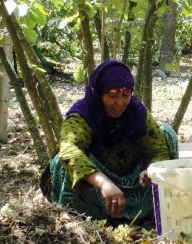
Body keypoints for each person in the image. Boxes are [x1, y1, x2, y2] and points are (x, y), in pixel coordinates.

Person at [40, 60, 177, 221]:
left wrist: (151, 170)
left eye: (125, 95)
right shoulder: (83, 114)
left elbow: (158, 149)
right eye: (112, 96)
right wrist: (103, 183)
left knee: (167, 133)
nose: (119, 103)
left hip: (135, 187)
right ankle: (81, 217)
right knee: (61, 161)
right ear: (98, 94)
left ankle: (152, 213)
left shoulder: (137, 113)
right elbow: (69, 148)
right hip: (96, 192)